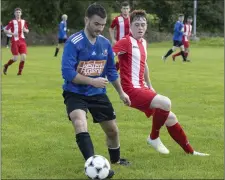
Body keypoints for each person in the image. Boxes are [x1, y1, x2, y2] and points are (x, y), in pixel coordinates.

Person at [113, 9, 209, 156]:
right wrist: (110, 76)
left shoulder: (143, 42)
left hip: (142, 88)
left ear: (146, 27)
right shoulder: (125, 41)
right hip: (130, 90)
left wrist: (149, 85)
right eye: (137, 24)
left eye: (143, 25)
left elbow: (143, 65)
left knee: (170, 117)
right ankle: (153, 137)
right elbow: (110, 58)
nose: (140, 28)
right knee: (166, 103)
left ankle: (191, 152)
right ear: (130, 26)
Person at [61, 3, 131, 178]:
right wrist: (92, 81)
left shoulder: (105, 44)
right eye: (96, 24)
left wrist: (121, 93)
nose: (100, 28)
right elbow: (68, 73)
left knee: (113, 131)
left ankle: (115, 160)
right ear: (87, 20)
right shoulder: (74, 42)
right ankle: (92, 165)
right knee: (79, 120)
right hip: (75, 92)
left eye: (102, 24)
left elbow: (111, 71)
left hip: (97, 94)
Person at [3, 8, 29, 75]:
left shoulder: (23, 21)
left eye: (19, 12)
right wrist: (13, 34)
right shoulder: (12, 22)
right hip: (15, 41)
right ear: (14, 13)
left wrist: (26, 30)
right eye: (17, 12)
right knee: (15, 58)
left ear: (21, 13)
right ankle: (6, 66)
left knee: (23, 57)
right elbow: (5, 30)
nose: (18, 14)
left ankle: (19, 73)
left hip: (22, 41)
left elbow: (26, 30)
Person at [109, 1, 130, 71]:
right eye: (124, 8)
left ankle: (113, 71)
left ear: (129, 9)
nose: (125, 10)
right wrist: (113, 39)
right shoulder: (117, 19)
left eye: (127, 8)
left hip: (130, 43)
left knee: (127, 60)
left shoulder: (132, 19)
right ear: (121, 9)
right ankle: (112, 71)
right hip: (120, 43)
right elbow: (111, 28)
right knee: (119, 58)